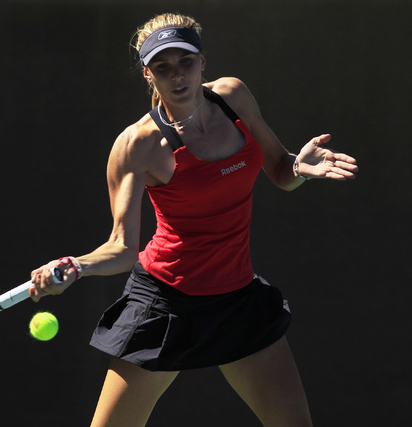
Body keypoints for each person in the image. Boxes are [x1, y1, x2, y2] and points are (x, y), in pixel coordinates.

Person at [29, 12, 358, 427]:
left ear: (202, 61)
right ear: (148, 75)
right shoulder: (138, 145)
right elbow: (121, 248)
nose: (177, 75)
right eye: (162, 67)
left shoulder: (233, 97)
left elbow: (279, 169)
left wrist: (298, 167)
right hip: (165, 303)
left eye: (185, 61)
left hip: (237, 299)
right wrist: (77, 265)